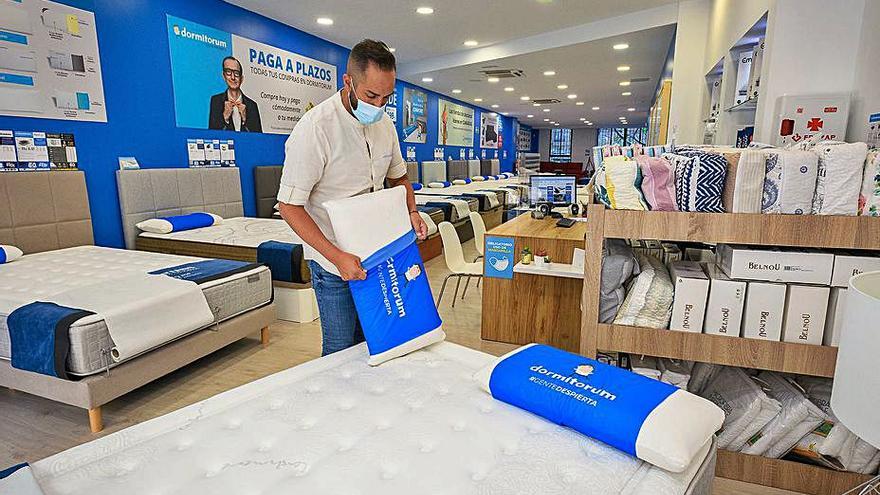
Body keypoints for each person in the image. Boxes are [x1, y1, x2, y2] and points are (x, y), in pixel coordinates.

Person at [276, 39, 427, 356]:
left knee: (375, 341)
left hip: (377, 254)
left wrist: (411, 211)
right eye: (371, 95)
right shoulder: (316, 129)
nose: (379, 105)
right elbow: (289, 206)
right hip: (334, 262)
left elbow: (398, 176)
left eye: (386, 97)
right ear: (348, 81)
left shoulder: (385, 124)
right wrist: (336, 256)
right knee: (340, 346)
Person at [208, 56, 262, 132]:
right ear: (224, 76)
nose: (233, 77)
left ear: (241, 78)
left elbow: (259, 137)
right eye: (228, 72)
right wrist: (225, 118)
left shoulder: (252, 105)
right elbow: (211, 135)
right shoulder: (216, 101)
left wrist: (245, 121)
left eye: (236, 73)